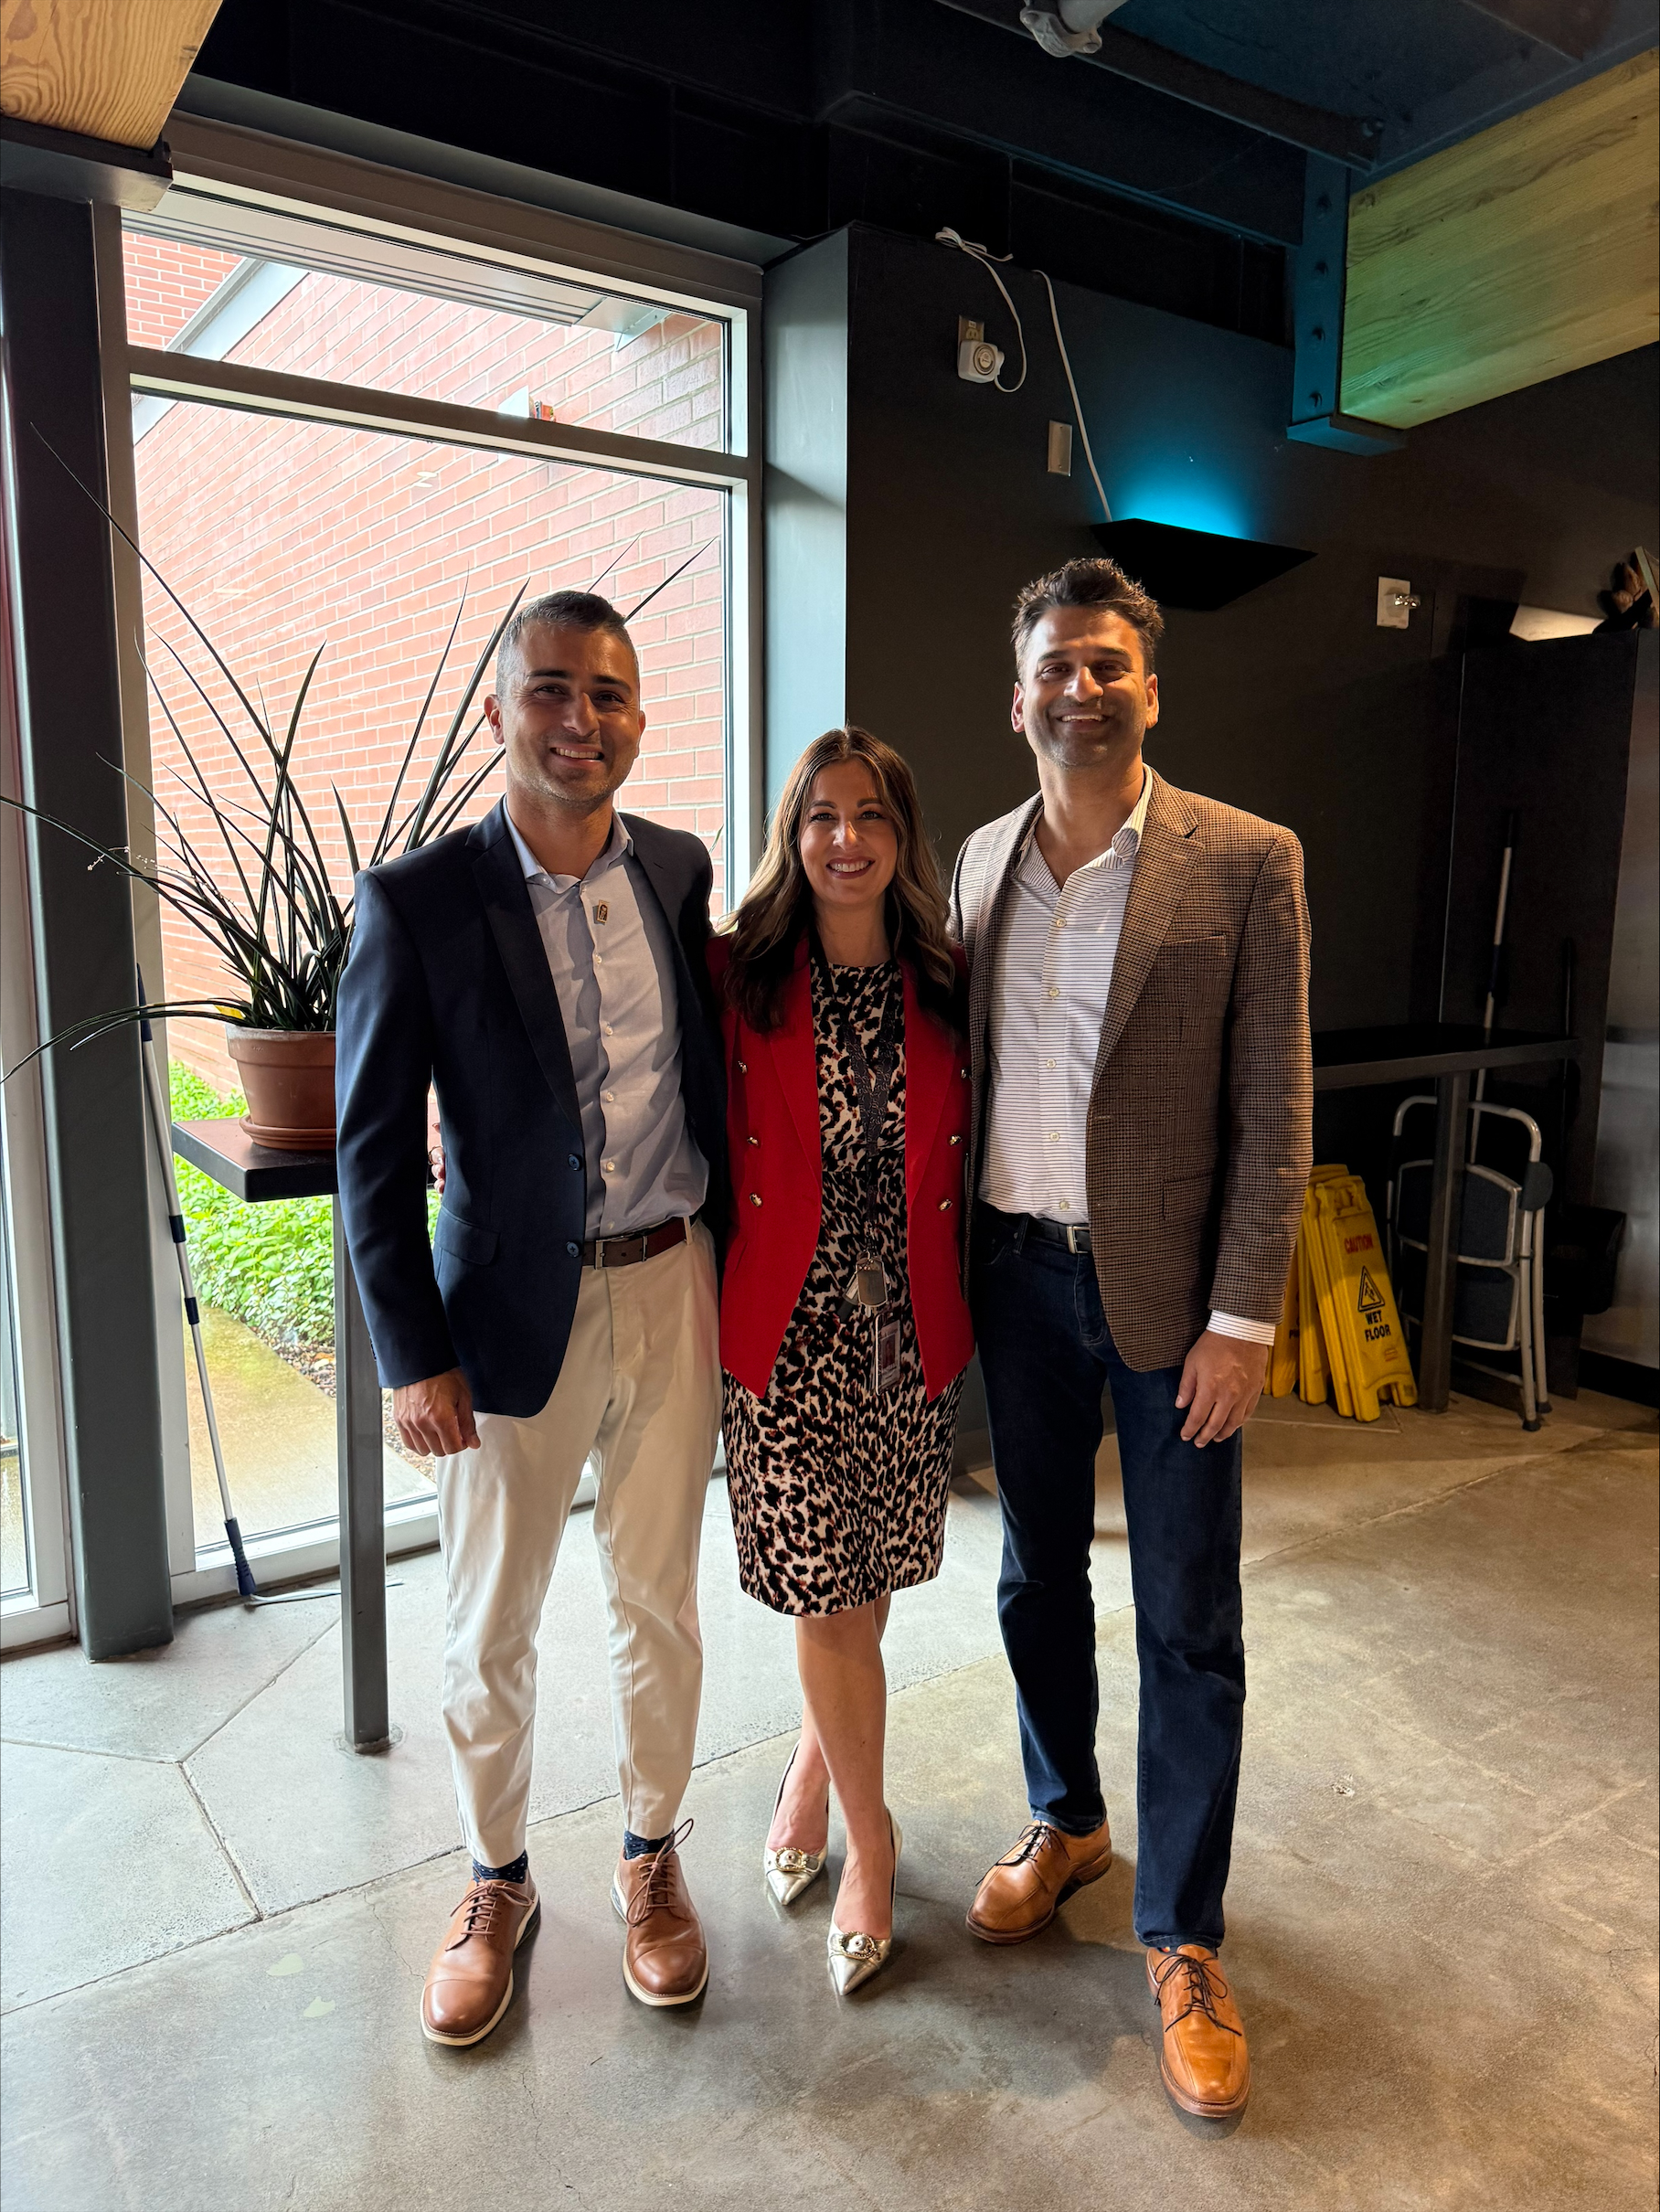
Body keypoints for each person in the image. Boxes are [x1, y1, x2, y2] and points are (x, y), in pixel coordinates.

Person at [335, 589, 727, 2046]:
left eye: (611, 695)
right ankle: (495, 1878)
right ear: (502, 709)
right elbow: (374, 1149)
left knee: (658, 1603)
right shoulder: (421, 899)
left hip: (671, 1279)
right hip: (502, 1315)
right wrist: (409, 1350)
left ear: (639, 716)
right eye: (552, 691)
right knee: (488, 1618)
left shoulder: (681, 874)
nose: (584, 721)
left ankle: (649, 1854)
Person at [951, 558, 1311, 2118]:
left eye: (1108, 664)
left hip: (1172, 1310)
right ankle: (1070, 1818)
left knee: (1187, 1618)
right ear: (1016, 692)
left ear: (1150, 688)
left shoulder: (1246, 862)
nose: (1080, 688)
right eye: (1055, 666)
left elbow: (1276, 1110)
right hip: (1014, 1283)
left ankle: (1182, 1933)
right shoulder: (974, 863)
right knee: (1035, 1572)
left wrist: (1243, 1319)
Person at [710, 727, 974, 1994]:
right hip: (786, 1328)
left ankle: (814, 1770)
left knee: (868, 1583)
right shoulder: (742, 976)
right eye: (820, 815)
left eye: (870, 814)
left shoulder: (947, 978)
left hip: (905, 1327)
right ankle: (874, 1842)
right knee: (824, 1584)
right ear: (792, 833)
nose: (846, 839)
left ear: (900, 835)